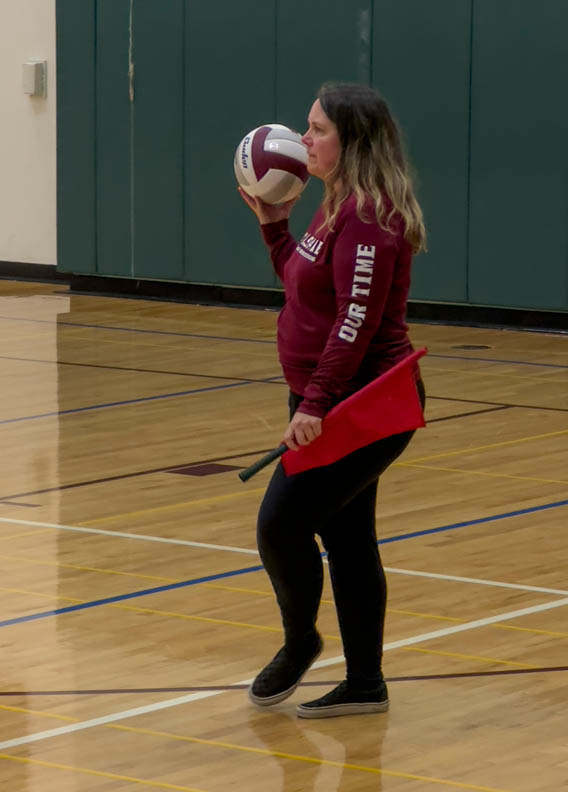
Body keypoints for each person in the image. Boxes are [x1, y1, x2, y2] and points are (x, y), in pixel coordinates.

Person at [238, 81, 426, 719]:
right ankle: (366, 683)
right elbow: (300, 282)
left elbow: (356, 323)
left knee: (280, 525)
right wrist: (274, 227)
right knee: (347, 537)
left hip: (360, 407)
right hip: (326, 400)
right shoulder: (333, 203)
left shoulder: (371, 219)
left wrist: (314, 405)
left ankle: (300, 643)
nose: (304, 137)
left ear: (353, 142)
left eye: (318, 129)